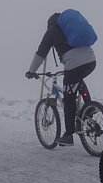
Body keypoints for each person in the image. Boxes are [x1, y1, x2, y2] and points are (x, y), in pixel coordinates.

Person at [25, 11, 97, 146]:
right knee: (77, 80)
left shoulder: (52, 31)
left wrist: (31, 71)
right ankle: (89, 107)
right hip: (91, 61)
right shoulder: (70, 29)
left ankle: (68, 135)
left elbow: (41, 53)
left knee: (68, 98)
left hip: (75, 64)